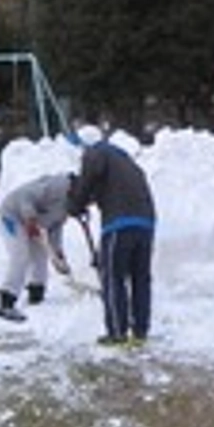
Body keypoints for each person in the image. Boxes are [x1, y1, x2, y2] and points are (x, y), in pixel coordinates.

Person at [67, 131, 156, 347]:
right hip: (146, 223)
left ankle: (117, 332)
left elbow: (88, 181)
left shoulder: (96, 153)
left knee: (112, 278)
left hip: (119, 224)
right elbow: (106, 186)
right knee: (140, 278)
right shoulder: (126, 161)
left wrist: (76, 204)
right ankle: (141, 332)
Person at [0, 173, 74, 322]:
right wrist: (30, 217)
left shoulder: (69, 205)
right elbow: (26, 195)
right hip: (12, 214)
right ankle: (7, 300)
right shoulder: (58, 186)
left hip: (34, 221)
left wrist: (58, 254)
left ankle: (36, 293)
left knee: (40, 255)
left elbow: (54, 228)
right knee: (20, 255)